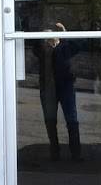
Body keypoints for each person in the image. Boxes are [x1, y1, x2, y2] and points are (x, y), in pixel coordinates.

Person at [33, 22, 82, 161]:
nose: (50, 37)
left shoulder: (64, 47)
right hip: (48, 88)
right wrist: (42, 38)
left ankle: (76, 153)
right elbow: (35, 48)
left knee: (72, 120)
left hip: (66, 87)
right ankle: (54, 152)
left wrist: (64, 34)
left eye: (52, 33)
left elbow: (76, 47)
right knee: (50, 120)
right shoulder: (43, 49)